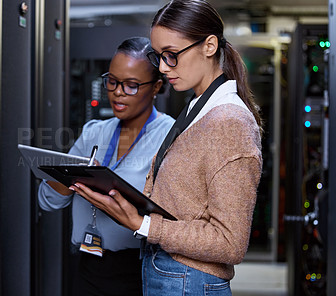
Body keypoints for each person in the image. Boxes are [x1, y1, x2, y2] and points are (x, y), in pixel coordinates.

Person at [69, 1, 263, 295]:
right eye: (158, 56)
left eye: (171, 56)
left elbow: (230, 242)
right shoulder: (198, 110)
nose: (162, 67)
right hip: (171, 275)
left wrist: (141, 223)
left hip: (188, 280)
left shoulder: (228, 121)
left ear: (209, 46)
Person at [38, 36, 175, 296]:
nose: (118, 92)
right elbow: (48, 202)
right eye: (112, 81)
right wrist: (72, 176)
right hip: (90, 266)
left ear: (156, 87)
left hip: (143, 270)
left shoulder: (171, 137)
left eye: (131, 85)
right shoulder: (93, 133)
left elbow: (174, 216)